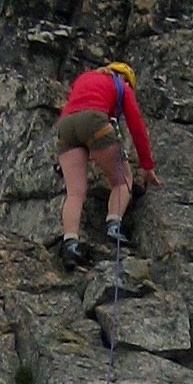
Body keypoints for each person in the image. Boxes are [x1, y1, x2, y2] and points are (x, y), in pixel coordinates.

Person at [55, 59, 155, 268]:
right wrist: (147, 166)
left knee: (74, 194)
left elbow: (77, 105)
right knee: (123, 180)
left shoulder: (85, 77)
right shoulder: (122, 87)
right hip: (95, 121)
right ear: (124, 78)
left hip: (65, 126)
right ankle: (114, 225)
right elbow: (137, 127)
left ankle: (70, 244)